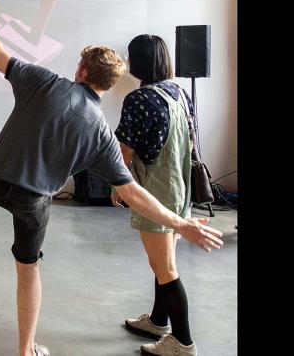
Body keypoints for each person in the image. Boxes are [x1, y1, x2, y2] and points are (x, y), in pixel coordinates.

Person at [0, 0, 223, 356]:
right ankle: (26, 349)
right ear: (109, 85)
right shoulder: (100, 133)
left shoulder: (43, 80)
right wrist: (180, 222)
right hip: (34, 200)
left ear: (81, 71)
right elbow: (132, 193)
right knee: (27, 268)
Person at [114, 34, 201, 356]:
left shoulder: (139, 99)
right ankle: (157, 320)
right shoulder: (177, 92)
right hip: (180, 186)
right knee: (164, 259)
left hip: (156, 188)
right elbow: (191, 142)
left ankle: (182, 342)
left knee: (164, 266)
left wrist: (118, 187)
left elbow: (123, 151)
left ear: (139, 61)